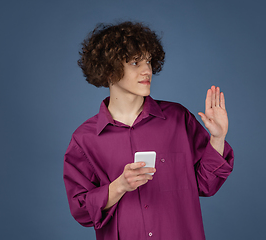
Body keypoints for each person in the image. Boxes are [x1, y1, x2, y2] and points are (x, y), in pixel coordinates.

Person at [63, 21, 234, 240]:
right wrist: (119, 186)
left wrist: (218, 138)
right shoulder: (84, 140)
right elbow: (81, 211)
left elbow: (205, 185)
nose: (147, 70)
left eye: (149, 61)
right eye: (135, 62)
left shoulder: (178, 118)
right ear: (109, 69)